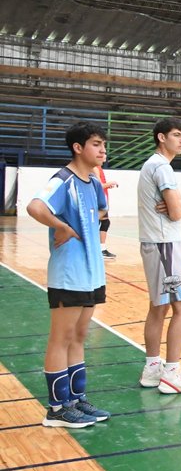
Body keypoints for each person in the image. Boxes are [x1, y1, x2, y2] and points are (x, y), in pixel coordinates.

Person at [27, 122, 112, 427]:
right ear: (78, 148)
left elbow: (102, 212)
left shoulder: (91, 182)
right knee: (60, 337)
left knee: (79, 335)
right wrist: (61, 226)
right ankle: (56, 409)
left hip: (91, 272)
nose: (102, 150)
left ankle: (76, 399)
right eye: (96, 144)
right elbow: (35, 207)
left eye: (104, 144)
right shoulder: (62, 179)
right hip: (68, 272)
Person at [137, 118, 181, 394]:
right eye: (177, 135)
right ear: (161, 137)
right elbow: (177, 212)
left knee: (159, 307)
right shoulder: (161, 167)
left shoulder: (150, 165)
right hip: (165, 244)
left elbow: (177, 208)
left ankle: (153, 368)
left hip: (154, 243)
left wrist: (180, 207)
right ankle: (172, 374)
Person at [95, 163, 118, 260]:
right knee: (103, 222)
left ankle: (99, 249)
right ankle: (101, 249)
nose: (104, 155)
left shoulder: (98, 168)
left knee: (102, 222)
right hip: (98, 200)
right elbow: (99, 186)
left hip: (101, 200)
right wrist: (110, 183)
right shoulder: (95, 168)